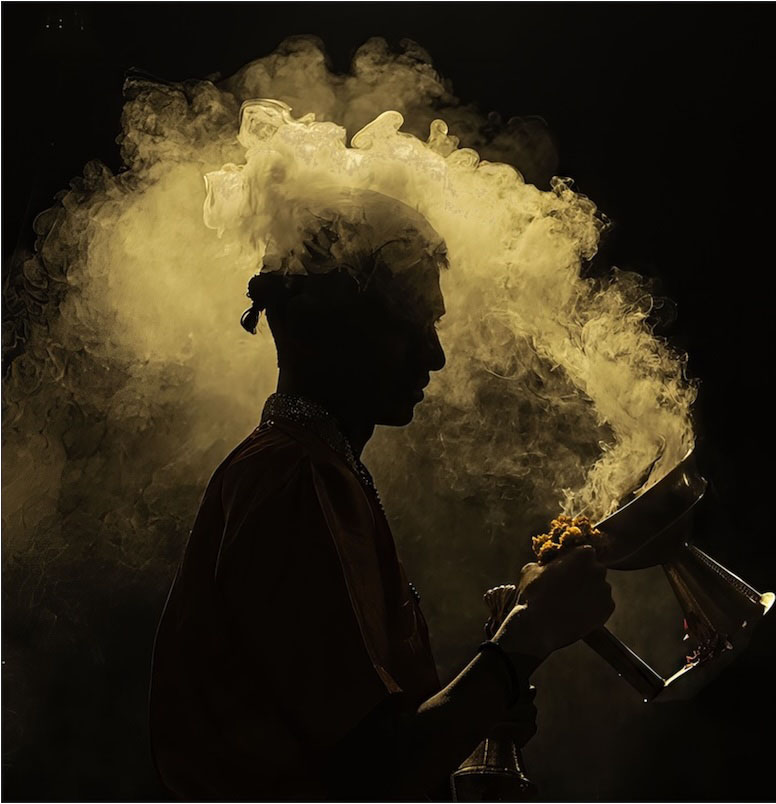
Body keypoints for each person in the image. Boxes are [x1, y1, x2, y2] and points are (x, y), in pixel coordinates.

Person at [148, 191, 615, 801]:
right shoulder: (292, 478)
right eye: (411, 323)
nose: (435, 355)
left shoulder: (314, 469)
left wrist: (479, 710)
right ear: (327, 328)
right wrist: (525, 638)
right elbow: (371, 773)